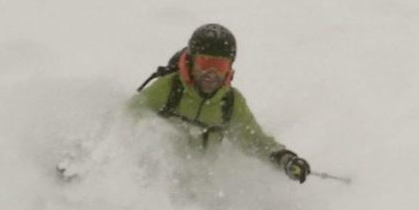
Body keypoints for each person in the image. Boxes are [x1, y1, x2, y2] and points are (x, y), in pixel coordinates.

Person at [129, 23, 310, 183]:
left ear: (229, 69)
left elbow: (254, 141)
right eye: (205, 64)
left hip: (200, 184)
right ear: (191, 63)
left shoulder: (230, 103)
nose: (212, 73)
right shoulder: (168, 89)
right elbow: (127, 118)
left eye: (220, 66)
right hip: (157, 180)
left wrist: (284, 159)